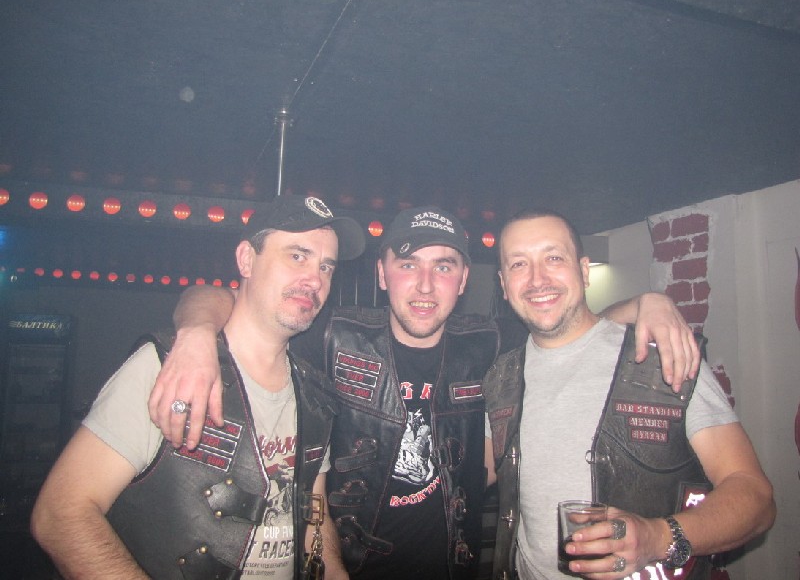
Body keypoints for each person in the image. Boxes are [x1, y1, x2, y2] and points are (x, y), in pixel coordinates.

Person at [149, 205, 701, 580]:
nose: (424, 285)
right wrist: (196, 332)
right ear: (382, 273)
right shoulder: (334, 336)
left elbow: (572, 326)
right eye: (408, 264)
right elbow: (228, 298)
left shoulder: (486, 342)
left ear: (464, 280)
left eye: (443, 266)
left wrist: (646, 303)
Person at [30, 195, 367, 579]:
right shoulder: (170, 368)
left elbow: (313, 519)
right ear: (246, 260)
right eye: (297, 256)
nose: (315, 279)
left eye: (326, 266)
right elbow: (60, 514)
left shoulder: (314, 395)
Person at [484, 208, 775, 579]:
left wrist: (657, 537)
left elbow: (755, 497)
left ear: (584, 270)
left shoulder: (663, 357)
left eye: (554, 258)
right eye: (519, 264)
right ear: (504, 285)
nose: (537, 279)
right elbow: (471, 473)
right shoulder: (500, 378)